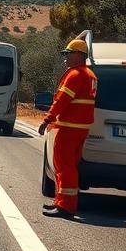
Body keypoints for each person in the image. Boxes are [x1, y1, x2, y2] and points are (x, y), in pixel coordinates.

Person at [38, 36, 98, 219]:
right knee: (69, 166)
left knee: (63, 166)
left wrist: (47, 119)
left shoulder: (75, 75)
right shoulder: (90, 75)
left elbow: (61, 100)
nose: (65, 57)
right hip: (80, 128)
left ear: (79, 55)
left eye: (68, 53)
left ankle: (65, 207)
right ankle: (61, 202)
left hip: (69, 127)